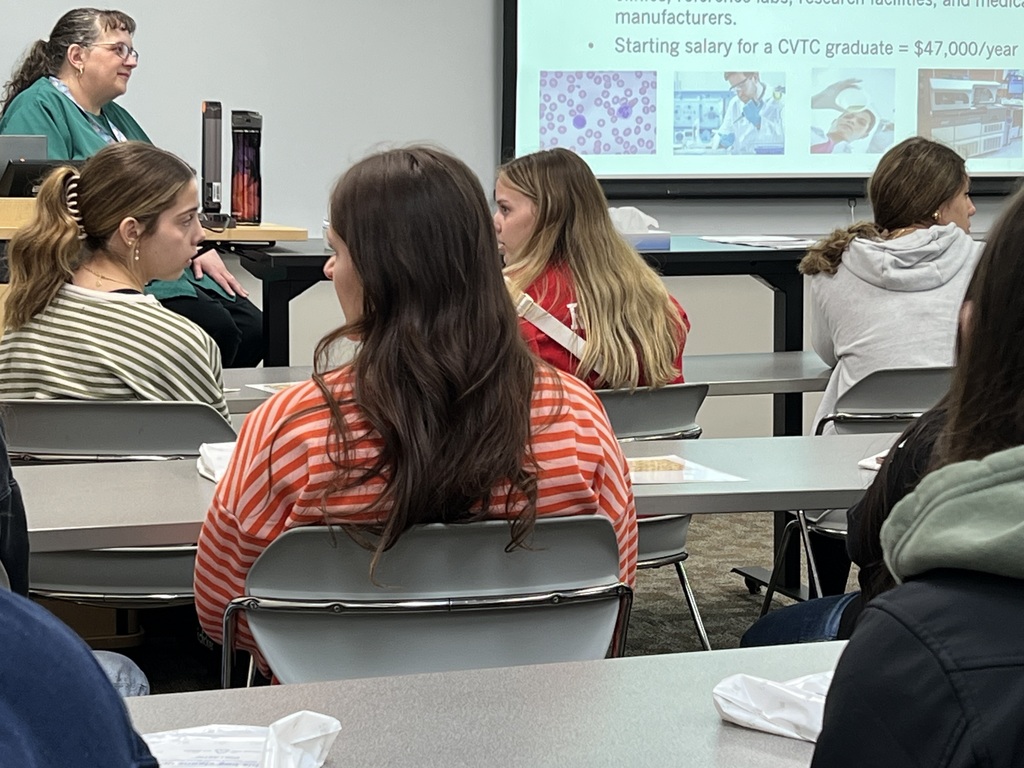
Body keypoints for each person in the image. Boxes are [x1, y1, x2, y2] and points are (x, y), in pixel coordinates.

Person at [193, 146, 638, 676]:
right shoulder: (577, 415)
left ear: (385, 271)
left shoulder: (294, 426)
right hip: (536, 716)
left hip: (336, 716)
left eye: (339, 250)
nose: (329, 267)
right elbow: (614, 590)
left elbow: (223, 608)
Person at [812, 187, 1024, 767]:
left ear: (976, 328)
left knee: (768, 638)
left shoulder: (915, 651)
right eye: (966, 193)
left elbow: (863, 539)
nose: (976, 208)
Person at [0, 8, 263, 367]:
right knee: (217, 330)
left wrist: (197, 244)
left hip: (158, 254)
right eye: (119, 50)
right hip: (108, 261)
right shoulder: (38, 107)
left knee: (253, 327)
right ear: (77, 56)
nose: (131, 62)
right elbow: (43, 202)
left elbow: (164, 189)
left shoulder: (115, 118)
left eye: (132, 52)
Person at [799, 136, 979, 595]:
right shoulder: (984, 262)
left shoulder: (830, 266)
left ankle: (826, 599)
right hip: (953, 468)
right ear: (940, 207)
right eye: (965, 195)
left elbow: (827, 351)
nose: (973, 209)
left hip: (847, 479)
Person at [0, 141, 229, 421]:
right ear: (131, 231)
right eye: (186, 219)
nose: (200, 233)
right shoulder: (180, 343)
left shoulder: (17, 332)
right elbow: (218, 456)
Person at [739, 401, 947, 647]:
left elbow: (864, 542)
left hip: (901, 617)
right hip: (984, 626)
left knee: (757, 639)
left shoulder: (937, 435)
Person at [495, 147, 689, 390]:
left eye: (505, 209)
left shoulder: (503, 305)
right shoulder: (659, 306)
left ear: (547, 214)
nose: (495, 222)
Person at [713, 71, 785, 154]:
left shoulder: (780, 103)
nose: (739, 94)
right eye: (735, 89)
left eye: (741, 85)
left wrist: (759, 123)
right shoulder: (735, 104)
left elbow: (789, 142)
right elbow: (722, 133)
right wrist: (722, 143)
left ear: (755, 77)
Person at [810, 78, 877, 154]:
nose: (852, 121)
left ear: (864, 135)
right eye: (848, 116)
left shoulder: (854, 162)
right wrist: (815, 101)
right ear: (834, 121)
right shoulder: (808, 133)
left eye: (861, 122)